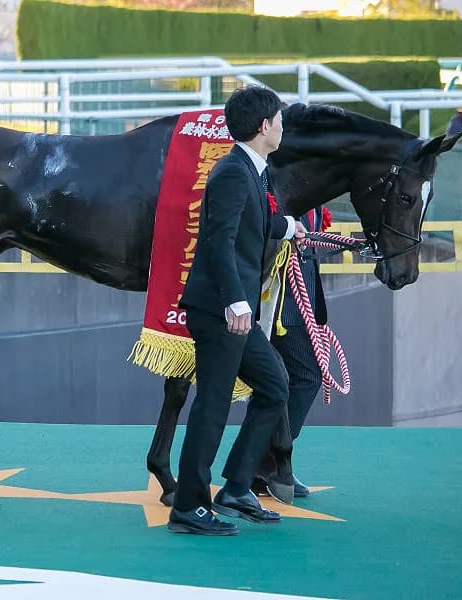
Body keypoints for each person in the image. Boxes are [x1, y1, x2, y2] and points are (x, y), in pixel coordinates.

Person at [167, 85, 307, 536]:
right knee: (212, 403)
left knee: (274, 384)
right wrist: (236, 301)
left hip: (232, 309)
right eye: (280, 120)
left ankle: (236, 488)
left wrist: (288, 227)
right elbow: (219, 240)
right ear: (265, 127)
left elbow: (256, 222)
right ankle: (189, 505)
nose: (283, 126)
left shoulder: (250, 171)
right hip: (222, 310)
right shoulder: (232, 172)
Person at [253, 206, 328, 505]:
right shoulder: (277, 182)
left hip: (301, 293)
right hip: (280, 300)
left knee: (284, 381)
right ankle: (267, 461)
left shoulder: (316, 192)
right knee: (305, 375)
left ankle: (265, 462)